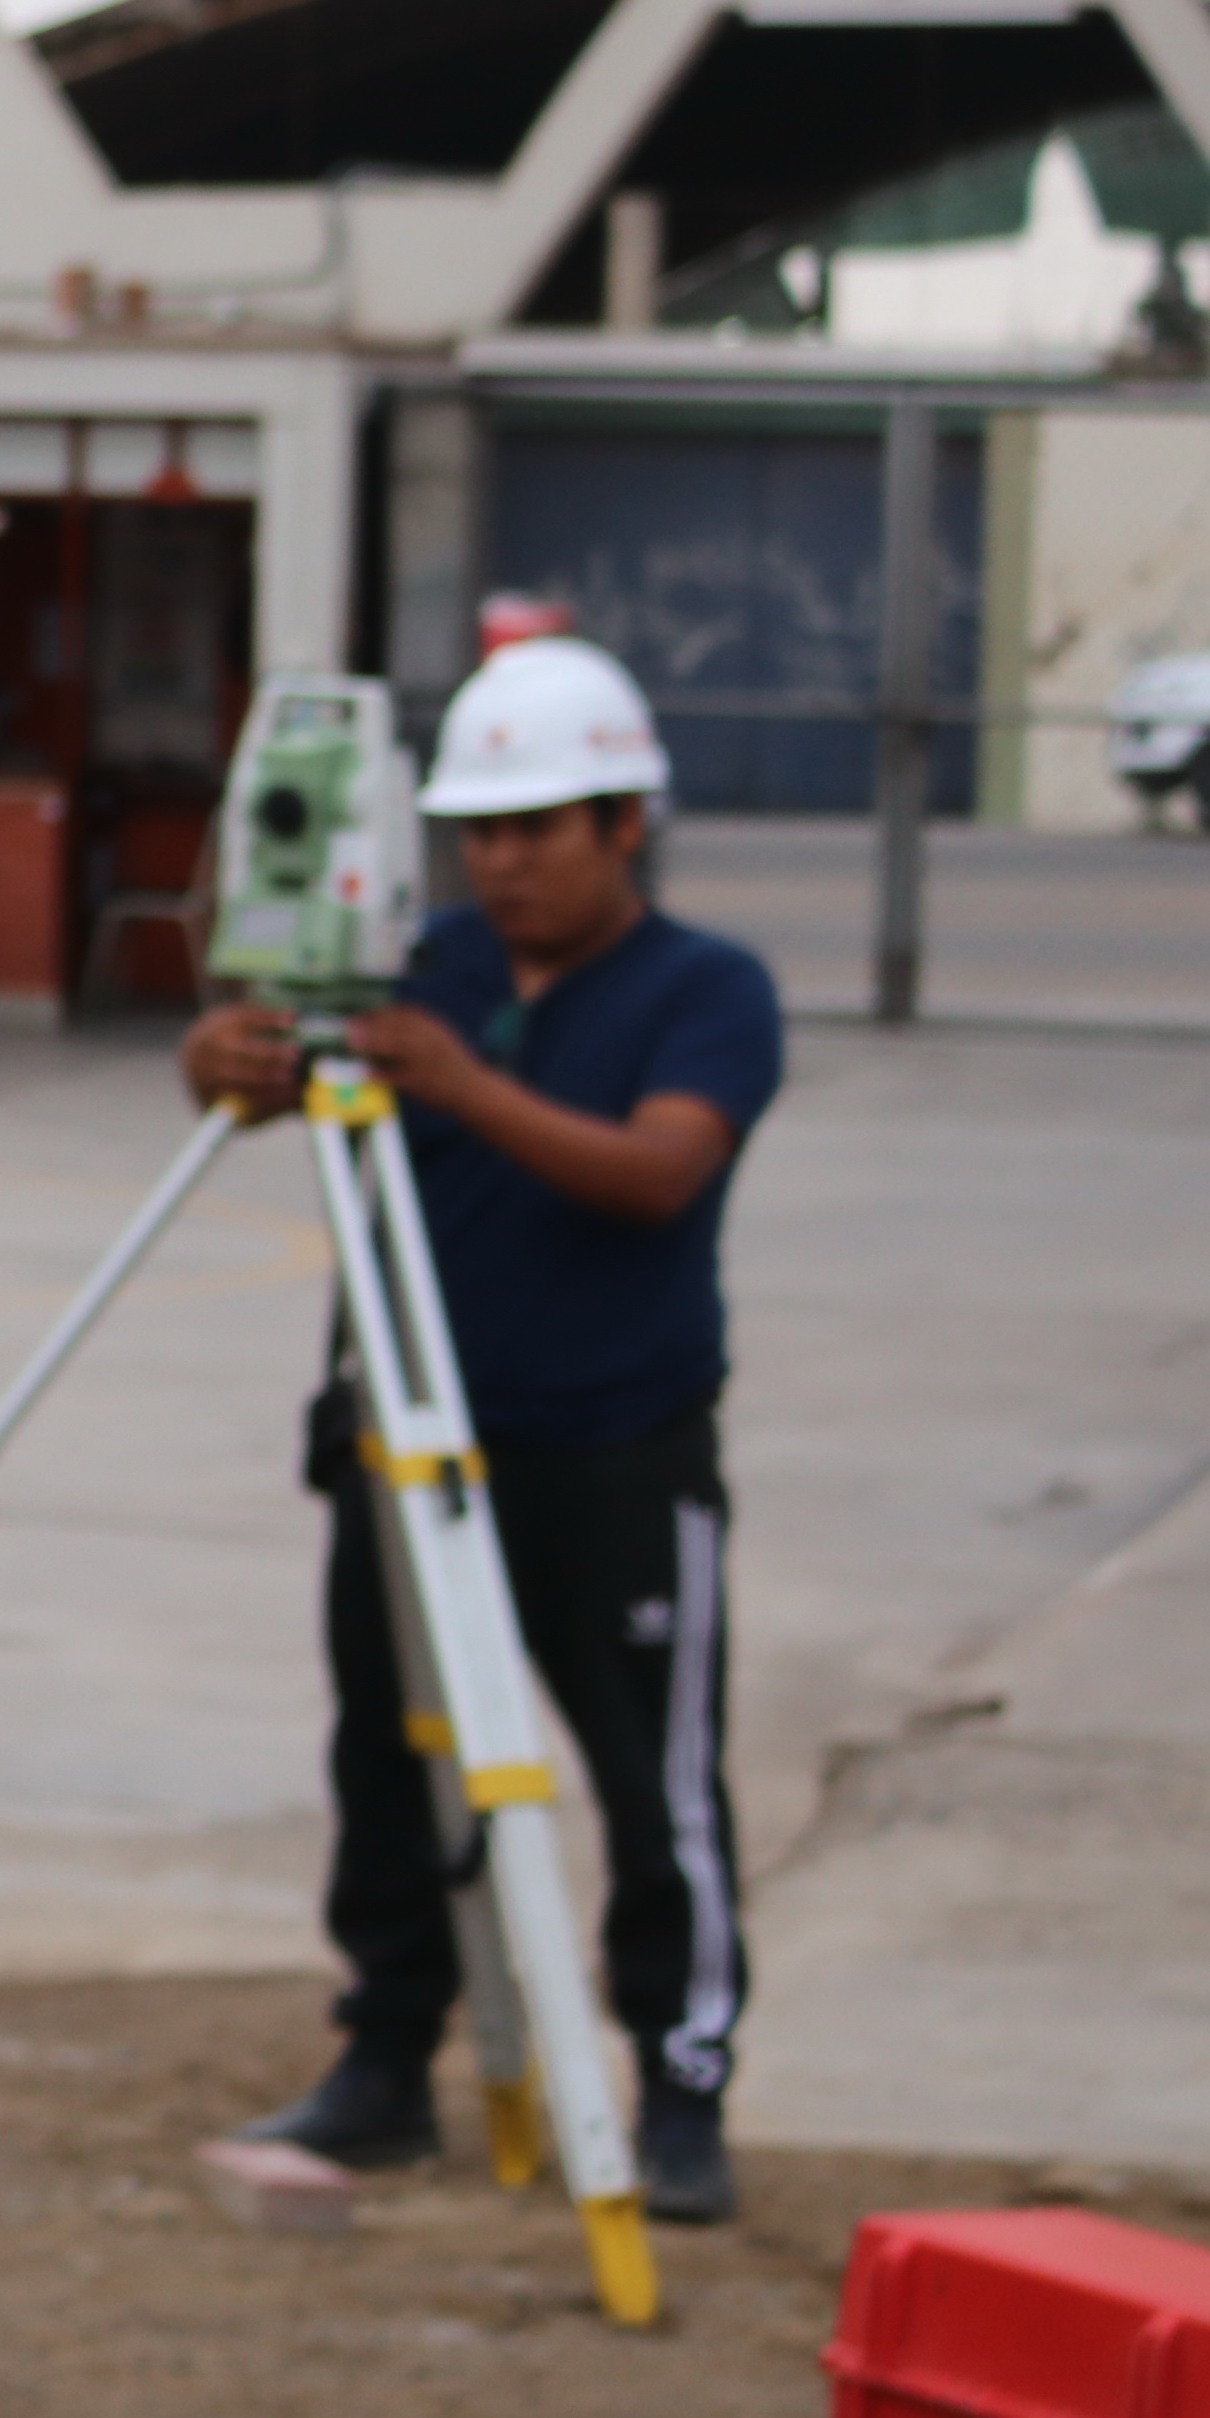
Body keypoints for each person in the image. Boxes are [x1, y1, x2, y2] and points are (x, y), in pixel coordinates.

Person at [182, 634, 778, 2224]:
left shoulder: (709, 991)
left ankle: (679, 2083)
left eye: (538, 830)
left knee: (658, 1789)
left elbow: (660, 1171)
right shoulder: (410, 956)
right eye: (483, 834)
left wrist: (454, 1083)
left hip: (615, 1454)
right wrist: (225, 1057)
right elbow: (240, 1077)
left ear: (623, 823)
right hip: (407, 1453)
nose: (501, 864)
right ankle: (384, 2062)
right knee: (390, 1766)